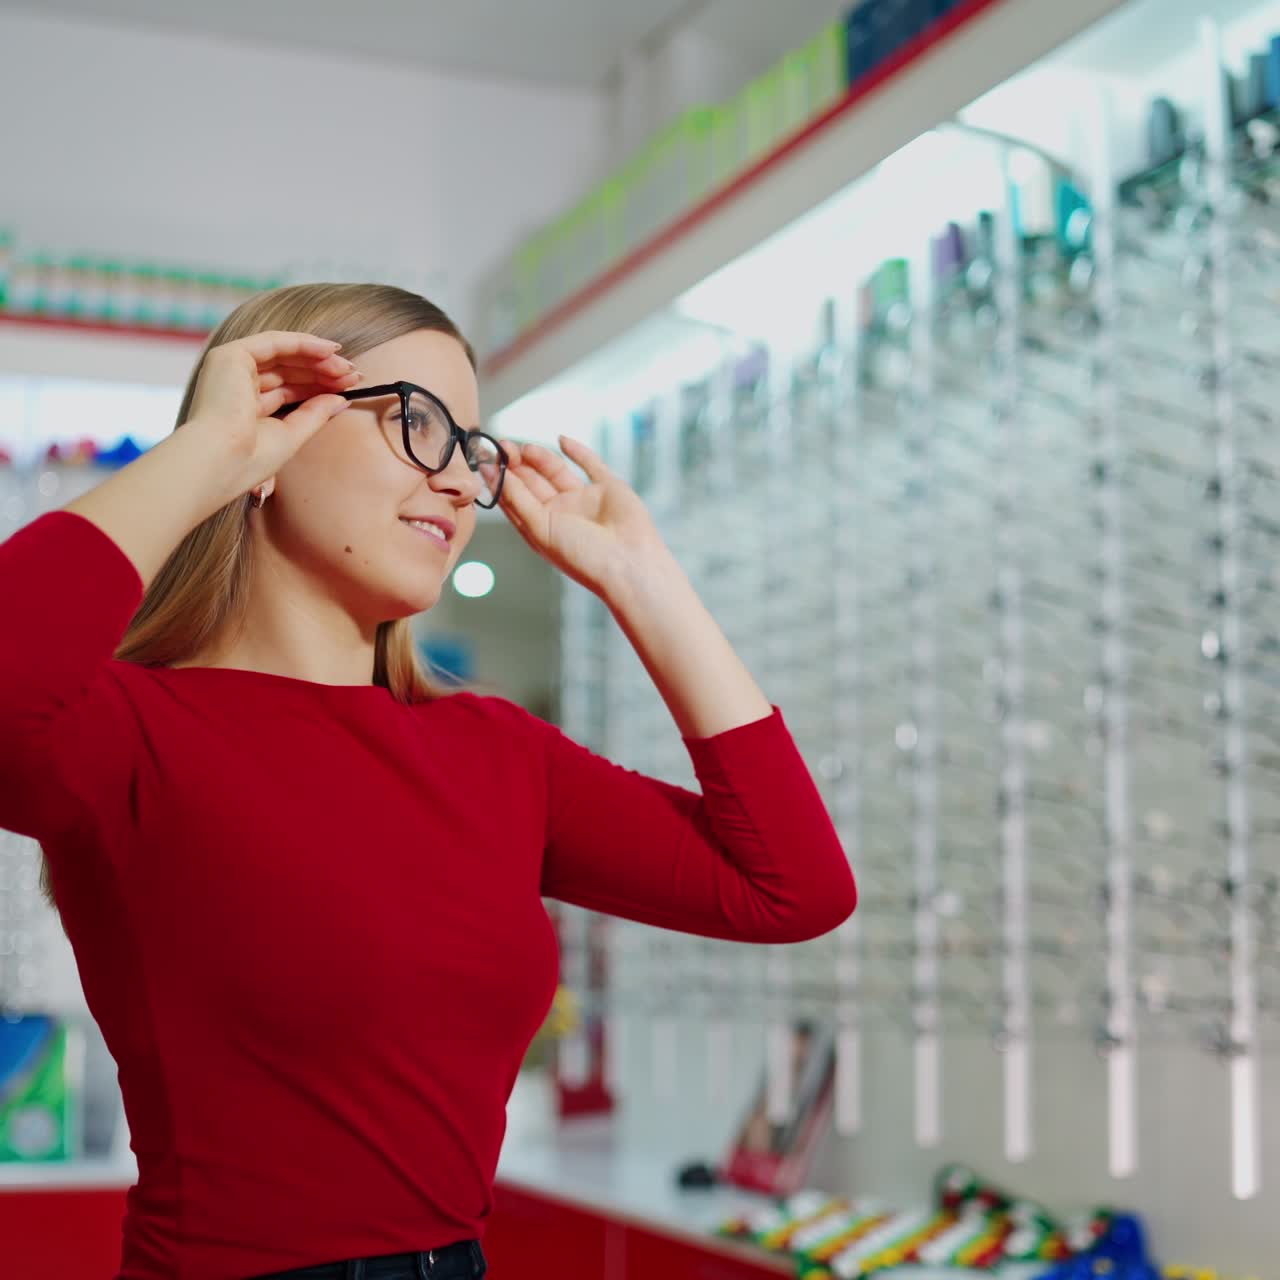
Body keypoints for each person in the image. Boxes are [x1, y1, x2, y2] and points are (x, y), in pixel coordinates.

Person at [0, 282, 858, 1280]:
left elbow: (792, 888)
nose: (457, 480)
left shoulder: (498, 751)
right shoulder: (132, 731)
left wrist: (639, 574)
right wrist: (206, 452)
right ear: (274, 431)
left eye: (472, 447)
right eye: (419, 423)